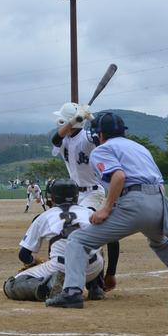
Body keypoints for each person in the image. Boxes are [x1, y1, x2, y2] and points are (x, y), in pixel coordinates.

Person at [46, 113, 168, 308]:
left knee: (78, 240)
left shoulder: (102, 149)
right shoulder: (140, 148)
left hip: (134, 202)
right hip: (159, 201)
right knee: (162, 242)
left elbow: (119, 177)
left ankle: (72, 292)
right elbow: (158, 180)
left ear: (100, 134)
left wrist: (106, 208)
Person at [52, 101, 120, 296]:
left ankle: (97, 283)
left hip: (94, 192)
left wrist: (93, 121)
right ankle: (82, 279)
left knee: (94, 231)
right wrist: (74, 120)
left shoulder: (88, 137)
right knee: (70, 231)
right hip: (73, 194)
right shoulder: (64, 139)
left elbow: (104, 140)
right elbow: (55, 139)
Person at [4, 179, 106, 302]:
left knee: (12, 284)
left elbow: (24, 255)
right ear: (77, 196)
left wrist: (33, 262)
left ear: (53, 198)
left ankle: (49, 286)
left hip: (62, 268)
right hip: (94, 268)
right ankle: (96, 288)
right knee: (96, 247)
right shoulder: (89, 212)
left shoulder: (44, 217)